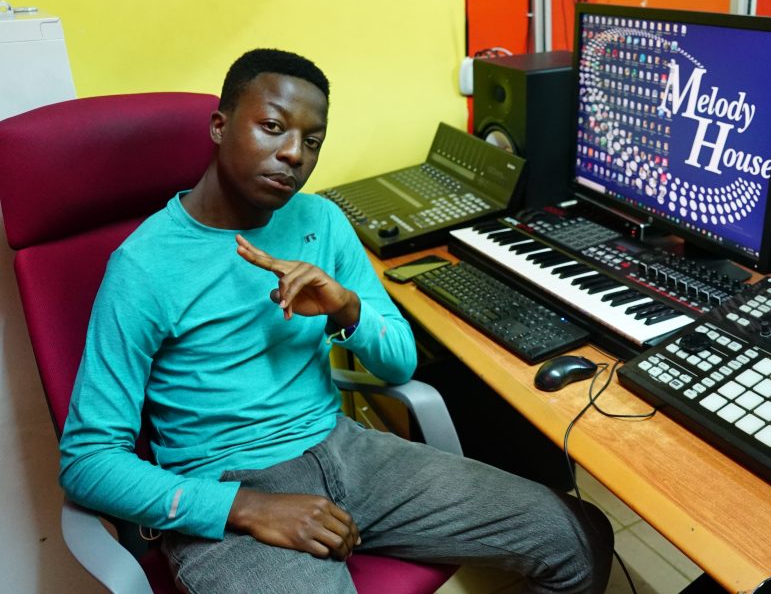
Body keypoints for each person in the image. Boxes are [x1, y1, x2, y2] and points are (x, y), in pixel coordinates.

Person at [59, 48, 613, 593]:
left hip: (346, 449)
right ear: (220, 127)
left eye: (312, 140)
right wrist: (247, 508)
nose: (293, 153)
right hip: (228, 485)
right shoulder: (144, 266)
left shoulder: (321, 219)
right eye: (272, 127)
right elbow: (88, 461)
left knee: (574, 539)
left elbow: (400, 358)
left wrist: (347, 309)